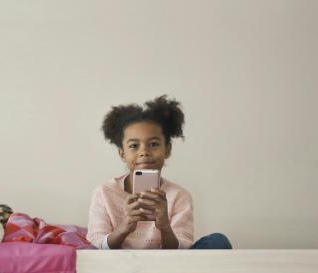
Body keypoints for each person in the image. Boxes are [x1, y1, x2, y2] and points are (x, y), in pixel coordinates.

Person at [87, 95, 232, 250]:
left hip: (167, 268)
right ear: (122, 153)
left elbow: (183, 248)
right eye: (134, 146)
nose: (144, 152)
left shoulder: (179, 195)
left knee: (218, 241)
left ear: (167, 149)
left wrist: (165, 226)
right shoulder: (105, 192)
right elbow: (96, 244)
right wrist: (125, 227)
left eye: (154, 144)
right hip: (121, 267)